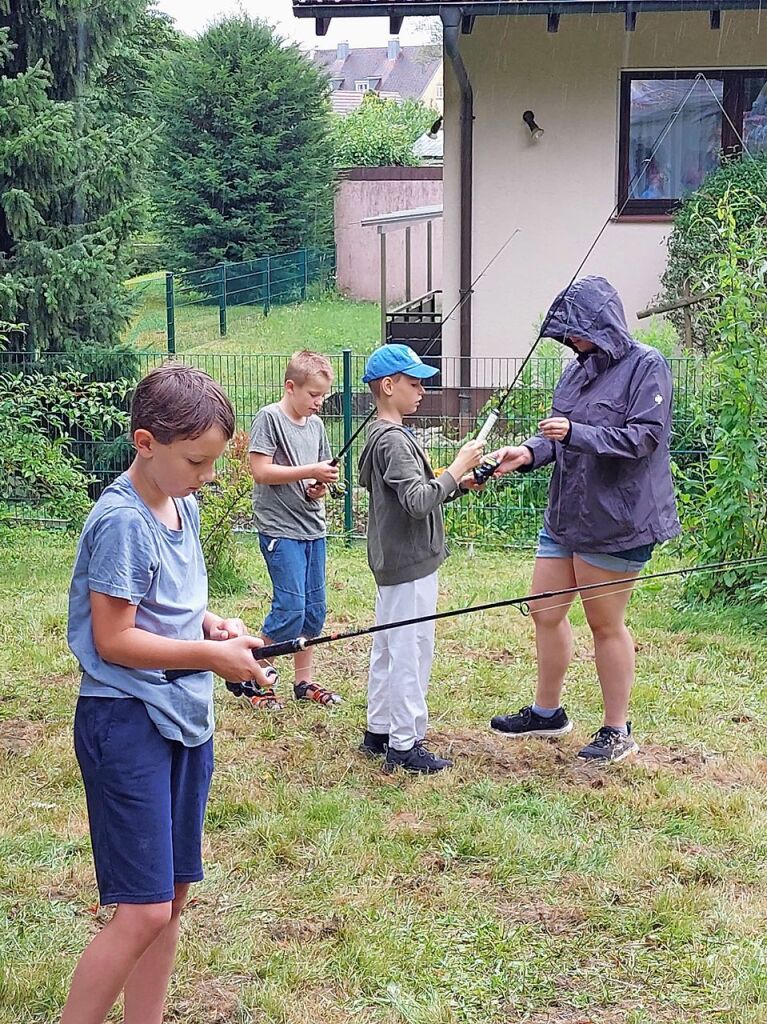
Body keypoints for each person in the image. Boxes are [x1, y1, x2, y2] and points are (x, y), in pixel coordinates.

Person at [63, 364, 270, 1024]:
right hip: (126, 722)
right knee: (143, 909)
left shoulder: (180, 502)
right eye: (196, 461)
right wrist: (212, 655)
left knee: (172, 899)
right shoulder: (122, 523)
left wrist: (211, 625)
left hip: (183, 717)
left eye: (212, 463)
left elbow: (167, 610)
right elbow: (115, 639)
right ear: (146, 442)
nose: (207, 475)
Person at [489, 277, 680, 763]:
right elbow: (557, 436)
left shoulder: (647, 366)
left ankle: (618, 729)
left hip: (617, 518)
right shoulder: (576, 372)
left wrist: (578, 432)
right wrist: (526, 453)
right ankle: (547, 713)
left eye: (577, 332)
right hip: (565, 514)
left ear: (603, 324)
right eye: (566, 334)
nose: (572, 341)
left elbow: (643, 439)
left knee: (604, 623)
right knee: (544, 609)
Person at [357, 344, 485, 774]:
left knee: (389, 648)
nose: (422, 392)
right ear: (387, 386)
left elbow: (412, 497)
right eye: (414, 384)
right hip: (408, 564)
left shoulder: (383, 435)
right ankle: (405, 744)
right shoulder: (393, 441)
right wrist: (456, 467)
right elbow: (415, 502)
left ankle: (379, 732)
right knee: (411, 649)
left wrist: (458, 484)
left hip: (394, 561)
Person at [248, 350, 342, 709]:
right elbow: (261, 471)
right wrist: (310, 472)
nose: (319, 403)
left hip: (312, 528)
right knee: (289, 609)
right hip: (279, 529)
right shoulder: (269, 418)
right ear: (291, 387)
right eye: (313, 395)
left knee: (314, 611)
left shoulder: (316, 426)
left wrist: (320, 486)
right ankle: (255, 676)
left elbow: (318, 478)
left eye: (323, 396)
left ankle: (304, 683)